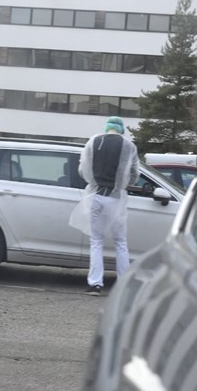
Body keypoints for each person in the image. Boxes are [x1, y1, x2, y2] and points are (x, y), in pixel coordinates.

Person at [69, 116, 139, 296]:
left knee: (96, 240)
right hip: (116, 197)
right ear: (121, 129)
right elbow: (134, 174)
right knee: (121, 242)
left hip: (95, 195)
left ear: (107, 127)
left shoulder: (93, 141)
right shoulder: (129, 146)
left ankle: (95, 284)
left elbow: (81, 169)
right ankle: (123, 284)